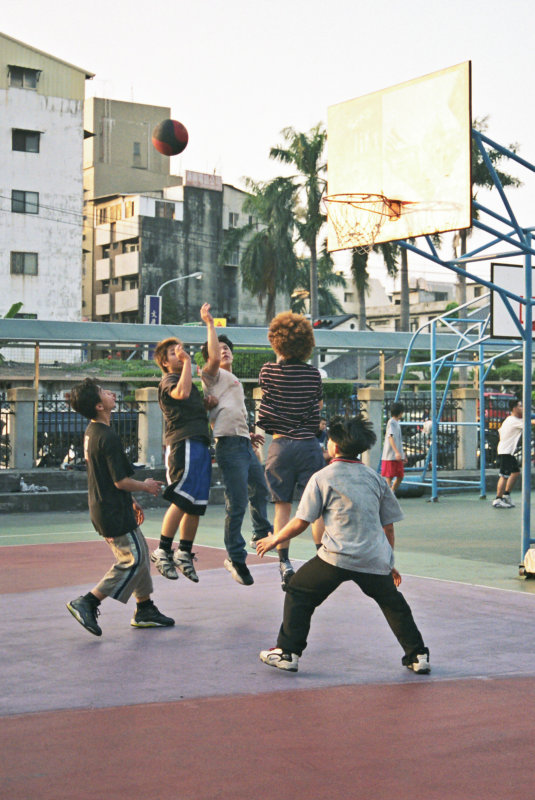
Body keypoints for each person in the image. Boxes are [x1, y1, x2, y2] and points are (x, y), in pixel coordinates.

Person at [256, 415, 430, 675]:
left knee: (299, 591)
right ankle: (418, 655)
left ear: (334, 446)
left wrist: (275, 538)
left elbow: (302, 521)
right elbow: (389, 526)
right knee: (394, 604)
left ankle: (287, 652)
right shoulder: (376, 478)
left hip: (335, 558)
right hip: (373, 558)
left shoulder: (322, 477)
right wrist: (389, 562)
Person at [66, 378, 174, 636]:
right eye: (104, 392)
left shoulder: (93, 431)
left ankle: (145, 607)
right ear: (99, 406)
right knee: (133, 560)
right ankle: (88, 601)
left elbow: (107, 477)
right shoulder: (107, 437)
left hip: (111, 506)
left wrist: (131, 499)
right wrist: (145, 486)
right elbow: (120, 480)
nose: (111, 394)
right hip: (111, 511)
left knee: (140, 553)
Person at [150, 303, 220, 581]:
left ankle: (184, 551)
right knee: (181, 495)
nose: (180, 353)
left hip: (200, 442)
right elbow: (179, 395)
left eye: (181, 349)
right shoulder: (169, 379)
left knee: (196, 502)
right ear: (165, 361)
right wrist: (189, 362)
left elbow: (188, 401)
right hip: (184, 444)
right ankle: (163, 550)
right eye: (173, 352)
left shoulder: (186, 380)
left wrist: (205, 404)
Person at [257, 311, 326, 590]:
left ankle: (284, 562)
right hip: (309, 445)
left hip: (280, 445)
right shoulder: (313, 375)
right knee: (317, 508)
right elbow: (315, 415)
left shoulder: (268, 371)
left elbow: (264, 416)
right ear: (307, 343)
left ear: (276, 342)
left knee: (282, 506)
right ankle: (322, 558)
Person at [200, 334, 273, 586]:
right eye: (218, 349)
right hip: (229, 445)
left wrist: (247, 433)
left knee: (260, 489)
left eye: (227, 347)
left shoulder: (235, 381)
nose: (224, 351)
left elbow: (230, 413)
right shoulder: (212, 377)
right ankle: (234, 556)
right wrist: (210, 324)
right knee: (238, 501)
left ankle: (261, 532)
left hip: (243, 442)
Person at [492, 398, 529, 508]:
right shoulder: (514, 421)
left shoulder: (512, 419)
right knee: (504, 475)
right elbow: (530, 422)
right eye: (520, 406)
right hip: (505, 452)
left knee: (515, 472)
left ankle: (506, 495)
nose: (522, 408)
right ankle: (498, 499)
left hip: (508, 452)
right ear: (514, 408)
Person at [381, 401, 408, 494]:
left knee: (400, 476)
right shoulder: (391, 422)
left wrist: (402, 454)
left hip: (396, 455)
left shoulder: (397, 423)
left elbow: (398, 441)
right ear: (400, 412)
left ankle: (391, 492)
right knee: (389, 476)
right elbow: (390, 437)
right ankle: (388, 495)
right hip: (390, 455)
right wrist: (396, 452)